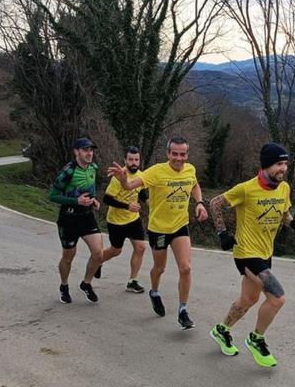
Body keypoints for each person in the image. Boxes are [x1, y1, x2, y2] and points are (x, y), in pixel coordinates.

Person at [207, 142, 295, 367]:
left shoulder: (284, 188)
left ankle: (221, 330)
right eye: (279, 164)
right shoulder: (246, 188)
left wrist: (292, 222)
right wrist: (223, 233)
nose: (283, 168)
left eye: (285, 164)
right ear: (267, 164)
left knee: (249, 299)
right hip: (246, 253)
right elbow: (215, 203)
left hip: (265, 253)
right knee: (277, 298)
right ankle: (256, 339)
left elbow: (284, 212)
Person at [107, 136, 208, 329]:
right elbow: (130, 186)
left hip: (180, 225)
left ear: (187, 154)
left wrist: (200, 203)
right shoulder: (155, 172)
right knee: (159, 268)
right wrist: (122, 179)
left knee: (185, 268)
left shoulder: (190, 169)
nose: (179, 158)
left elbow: (194, 185)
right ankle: (154, 292)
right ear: (168, 154)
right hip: (159, 229)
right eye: (175, 154)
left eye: (183, 154)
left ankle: (183, 310)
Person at [49, 137, 103, 304]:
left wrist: (93, 200)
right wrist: (76, 201)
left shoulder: (93, 168)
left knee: (99, 254)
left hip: (87, 217)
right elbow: (53, 196)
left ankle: (86, 284)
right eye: (86, 150)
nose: (89, 153)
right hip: (69, 219)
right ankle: (64, 286)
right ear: (77, 152)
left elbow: (90, 189)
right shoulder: (69, 171)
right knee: (68, 256)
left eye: (91, 150)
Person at [100, 146, 149, 294]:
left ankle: (132, 281)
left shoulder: (141, 175)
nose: (134, 162)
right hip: (116, 221)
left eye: (136, 159)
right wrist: (127, 206)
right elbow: (106, 199)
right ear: (125, 160)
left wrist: (149, 203)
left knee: (140, 247)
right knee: (116, 251)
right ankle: (98, 260)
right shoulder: (118, 177)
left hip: (133, 219)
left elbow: (141, 192)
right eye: (130, 160)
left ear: (139, 161)